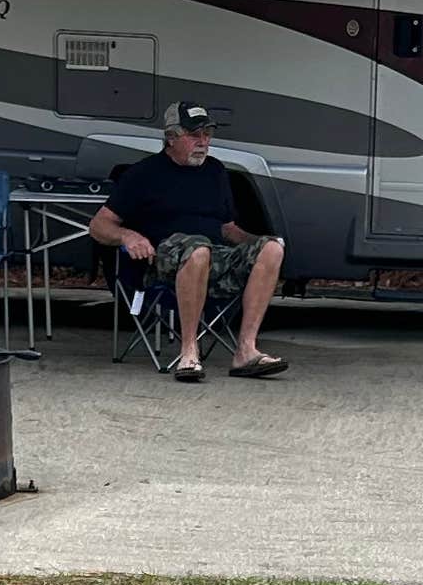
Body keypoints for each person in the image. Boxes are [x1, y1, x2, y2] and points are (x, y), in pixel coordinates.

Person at [89, 101, 289, 380]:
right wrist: (128, 235)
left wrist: (262, 242)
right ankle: (188, 352)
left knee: (270, 249)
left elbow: (228, 229)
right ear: (171, 138)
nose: (203, 142)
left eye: (207, 135)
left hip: (212, 255)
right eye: (194, 135)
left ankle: (246, 351)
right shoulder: (143, 174)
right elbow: (98, 225)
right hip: (162, 261)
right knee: (197, 248)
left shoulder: (215, 172)